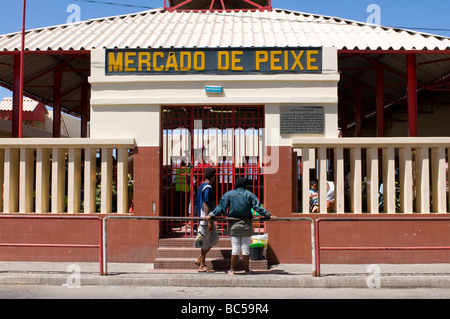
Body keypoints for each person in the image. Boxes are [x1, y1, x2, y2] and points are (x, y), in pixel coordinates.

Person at [205, 177, 277, 275]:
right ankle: (247, 270)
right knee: (245, 248)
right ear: (245, 186)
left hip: (234, 225)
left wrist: (211, 215)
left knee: (235, 248)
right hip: (246, 225)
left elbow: (221, 208)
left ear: (235, 185)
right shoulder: (250, 195)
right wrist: (268, 215)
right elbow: (258, 207)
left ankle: (232, 270)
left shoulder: (229, 194)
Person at [194, 167, 219, 272]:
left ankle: (200, 258)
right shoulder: (208, 187)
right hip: (206, 218)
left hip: (203, 217)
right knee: (206, 241)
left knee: (215, 239)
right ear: (213, 176)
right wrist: (209, 221)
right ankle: (202, 265)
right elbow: (206, 204)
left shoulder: (201, 186)